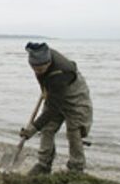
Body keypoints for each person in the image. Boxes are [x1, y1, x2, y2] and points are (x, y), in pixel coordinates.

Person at [19, 42, 93, 174]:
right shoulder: (39, 55)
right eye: (35, 68)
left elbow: (52, 109)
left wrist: (33, 129)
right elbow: (46, 83)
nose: (38, 71)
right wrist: (45, 90)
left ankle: (76, 168)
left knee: (74, 131)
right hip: (54, 92)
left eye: (41, 69)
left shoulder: (61, 72)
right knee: (47, 129)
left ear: (48, 63)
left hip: (75, 97)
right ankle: (43, 164)